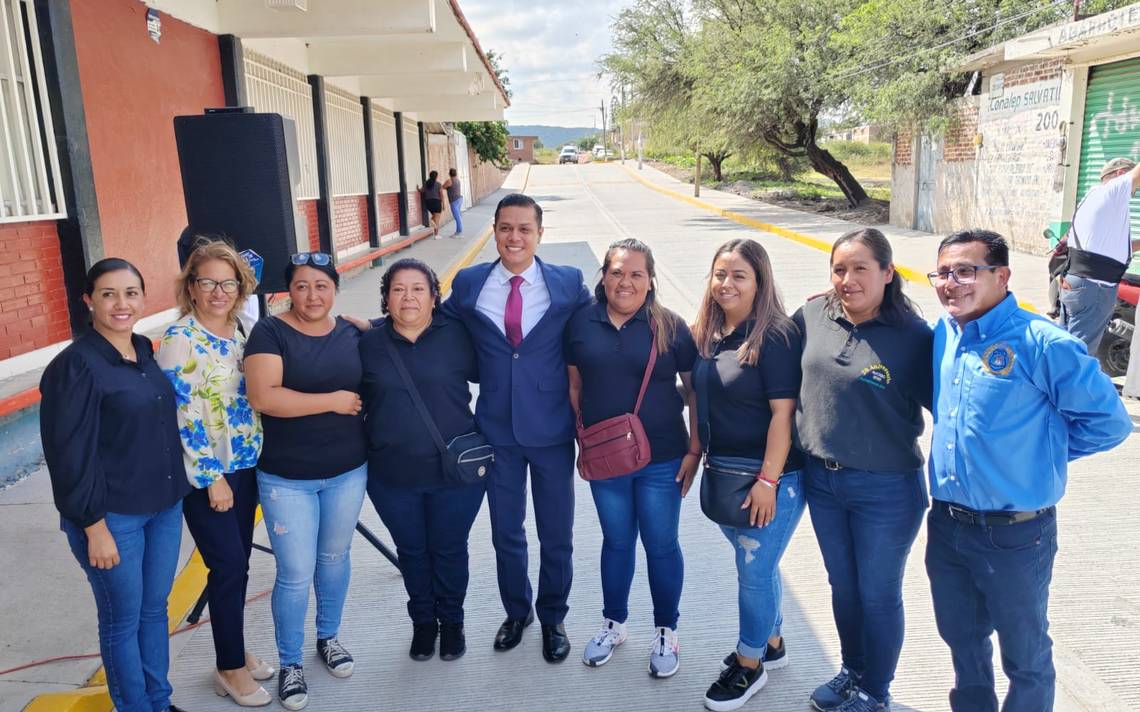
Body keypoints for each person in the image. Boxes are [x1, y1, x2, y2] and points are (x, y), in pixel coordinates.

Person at [926, 229, 1131, 712]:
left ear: (1002, 276)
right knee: (962, 642)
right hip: (948, 525)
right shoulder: (945, 334)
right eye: (944, 273)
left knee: (1025, 656)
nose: (951, 283)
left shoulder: (1044, 343)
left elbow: (1110, 423)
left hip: (1015, 535)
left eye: (966, 271)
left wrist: (1039, 454)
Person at [442, 193, 591, 663]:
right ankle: (517, 612)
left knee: (556, 534)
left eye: (525, 228)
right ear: (494, 232)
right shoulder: (469, 284)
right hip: (496, 431)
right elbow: (428, 321)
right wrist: (370, 327)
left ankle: (553, 617)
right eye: (506, 227)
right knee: (506, 532)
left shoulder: (567, 283)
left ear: (539, 234)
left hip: (551, 431)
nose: (514, 237)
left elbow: (601, 323)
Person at [40, 258, 190, 712]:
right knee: (122, 620)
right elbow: (69, 456)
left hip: (163, 506)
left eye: (130, 293)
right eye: (108, 294)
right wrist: (93, 526)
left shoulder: (143, 349)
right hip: (113, 517)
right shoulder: (75, 367)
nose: (121, 304)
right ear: (89, 301)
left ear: (143, 298)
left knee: (154, 610)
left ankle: (159, 701)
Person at [795, 228, 933, 712]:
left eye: (860, 269)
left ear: (888, 272)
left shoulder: (915, 337)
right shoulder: (813, 315)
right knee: (844, 587)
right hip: (823, 482)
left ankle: (876, 691)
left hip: (886, 489)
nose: (847, 279)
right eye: (839, 269)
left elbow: (955, 408)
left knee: (877, 594)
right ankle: (852, 671)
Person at [565, 238, 700, 678]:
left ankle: (666, 631)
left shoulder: (670, 327)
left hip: (662, 458)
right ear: (603, 276)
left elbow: (694, 391)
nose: (625, 282)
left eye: (636, 274)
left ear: (650, 280)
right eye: (617, 272)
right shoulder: (580, 324)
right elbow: (574, 387)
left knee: (661, 545)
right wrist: (585, 440)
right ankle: (614, 624)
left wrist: (695, 449)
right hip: (606, 461)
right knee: (617, 542)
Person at [244, 252, 368, 711]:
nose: (312, 295)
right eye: (301, 286)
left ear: (335, 288)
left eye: (321, 285)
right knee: (295, 573)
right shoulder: (270, 332)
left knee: (334, 558)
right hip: (287, 478)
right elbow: (264, 397)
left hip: (347, 471)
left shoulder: (352, 332)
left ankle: (329, 638)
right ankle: (290, 662)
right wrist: (332, 401)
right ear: (288, 291)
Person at [156, 240, 273, 707]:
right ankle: (228, 667)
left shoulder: (243, 328)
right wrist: (210, 477)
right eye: (208, 282)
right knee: (227, 566)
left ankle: (234, 649)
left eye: (228, 283)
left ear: (241, 288)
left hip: (246, 465)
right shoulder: (179, 338)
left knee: (237, 564)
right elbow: (180, 414)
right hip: (210, 475)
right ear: (191, 287)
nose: (219, 292)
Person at [692, 239, 806, 712]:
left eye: (739, 275)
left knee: (754, 573)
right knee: (760, 566)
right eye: (720, 274)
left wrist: (768, 482)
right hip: (724, 474)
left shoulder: (774, 336)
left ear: (760, 282)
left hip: (769, 479)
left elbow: (784, 415)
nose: (726, 284)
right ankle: (772, 642)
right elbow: (699, 397)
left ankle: (749, 663)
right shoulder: (711, 333)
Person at [359, 259, 485, 663]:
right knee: (412, 552)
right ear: (386, 298)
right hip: (391, 476)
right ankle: (423, 624)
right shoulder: (367, 344)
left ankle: (452, 623)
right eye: (398, 289)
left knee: (450, 550)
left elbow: (499, 373)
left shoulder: (459, 335)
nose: (408, 297)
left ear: (434, 297)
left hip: (455, 474)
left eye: (418, 289)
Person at [1059, 157, 1140, 354]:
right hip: (1094, 288)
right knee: (1079, 357)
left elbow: (1108, 249)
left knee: (1063, 348)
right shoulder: (1113, 191)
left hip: (1078, 282)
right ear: (1121, 174)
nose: (1133, 193)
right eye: (1135, 189)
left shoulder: (1093, 197)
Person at [422, 170, 444, 238]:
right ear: (436, 177)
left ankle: (431, 221)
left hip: (428, 203)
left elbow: (421, 190)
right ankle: (436, 235)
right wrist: (443, 204)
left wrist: (418, 189)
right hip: (436, 202)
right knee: (436, 220)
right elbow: (441, 195)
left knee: (434, 218)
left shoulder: (426, 184)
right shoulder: (439, 184)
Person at [443, 168, 464, 238]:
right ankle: (458, 231)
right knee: (458, 216)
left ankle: (459, 233)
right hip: (459, 199)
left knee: (457, 217)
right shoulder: (458, 180)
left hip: (454, 201)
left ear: (449, 174)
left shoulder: (449, 181)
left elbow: (443, 187)